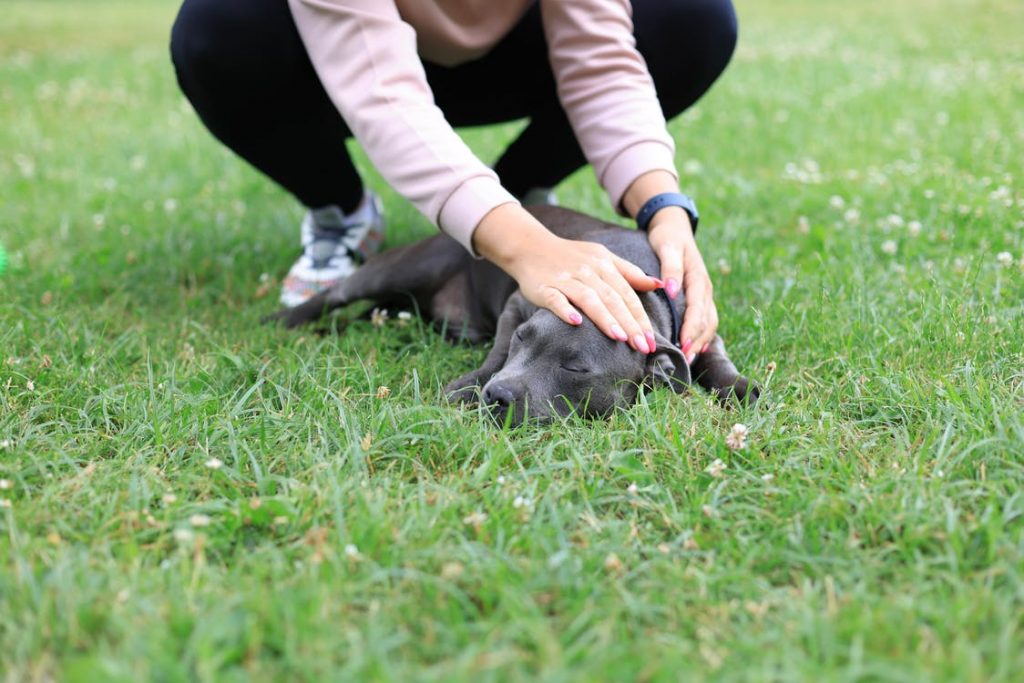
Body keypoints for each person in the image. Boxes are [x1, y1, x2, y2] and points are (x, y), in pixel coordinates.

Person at [170, 0, 737, 362]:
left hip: (513, 53)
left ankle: (520, 193)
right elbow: (383, 92)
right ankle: (342, 211)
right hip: (339, 56)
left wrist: (663, 209)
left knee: (693, 17)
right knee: (217, 28)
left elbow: (602, 64)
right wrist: (529, 250)